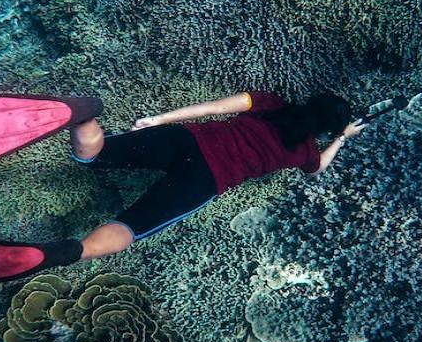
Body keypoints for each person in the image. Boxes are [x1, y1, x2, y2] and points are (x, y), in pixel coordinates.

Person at [65, 90, 366, 263]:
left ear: (309, 101)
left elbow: (213, 108)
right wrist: (342, 137)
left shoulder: (271, 101)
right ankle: (74, 252)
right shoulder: (305, 152)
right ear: (324, 131)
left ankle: (83, 114)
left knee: (96, 154)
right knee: (132, 226)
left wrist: (158, 119)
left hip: (186, 139)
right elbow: (319, 169)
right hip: (205, 178)